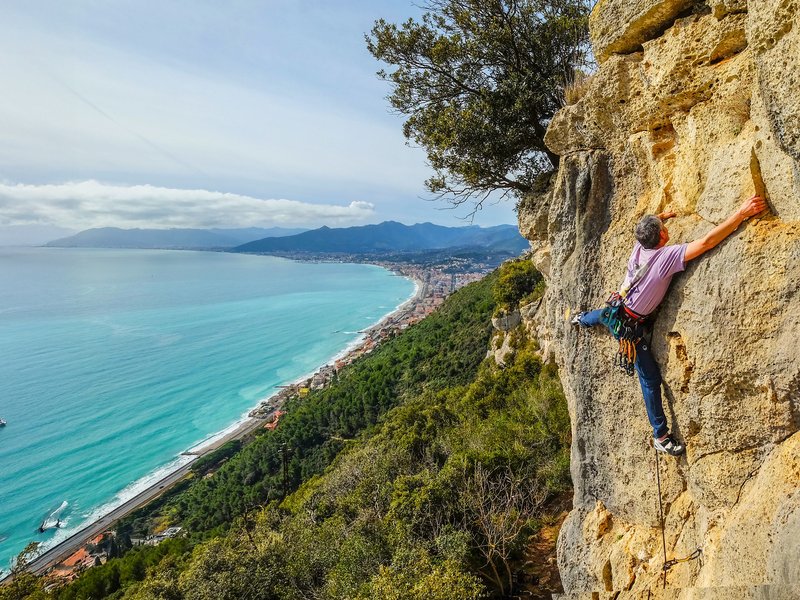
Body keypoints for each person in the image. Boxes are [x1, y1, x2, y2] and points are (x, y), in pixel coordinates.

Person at [572, 195, 768, 456]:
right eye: (663, 228)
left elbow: (645, 227)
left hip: (617, 308)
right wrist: (741, 214)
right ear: (662, 236)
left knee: (602, 315)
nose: (665, 228)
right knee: (650, 379)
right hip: (630, 328)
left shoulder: (640, 247)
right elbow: (707, 242)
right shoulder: (666, 257)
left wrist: (658, 218)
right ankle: (660, 436)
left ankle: (581, 319)